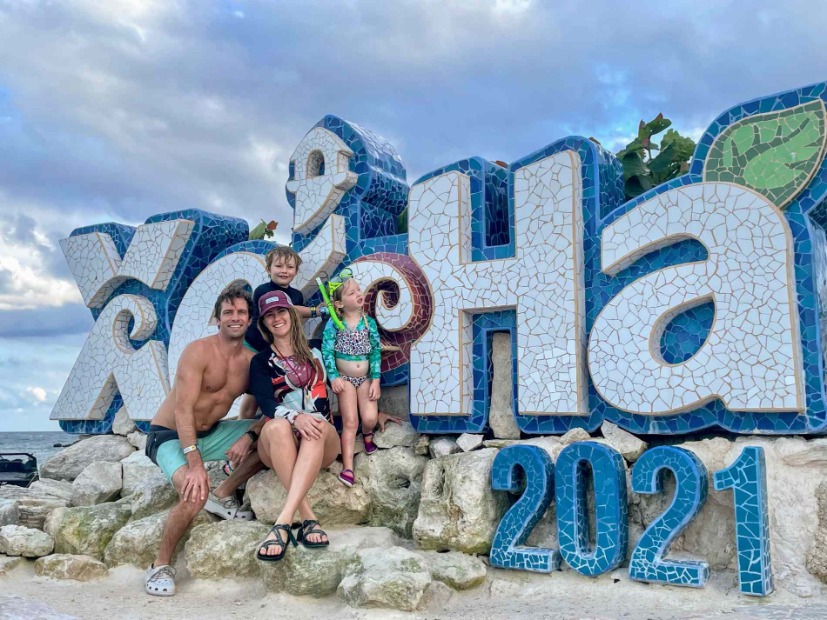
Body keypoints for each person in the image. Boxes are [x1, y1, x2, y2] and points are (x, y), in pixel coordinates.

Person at [143, 282, 268, 596]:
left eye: (241, 312)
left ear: (250, 319)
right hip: (170, 437)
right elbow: (183, 409)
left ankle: (225, 492)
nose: (234, 317)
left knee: (273, 432)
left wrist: (249, 433)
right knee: (195, 492)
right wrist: (195, 463)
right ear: (217, 318)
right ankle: (160, 565)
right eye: (228, 312)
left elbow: (274, 406)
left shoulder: (252, 361)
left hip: (212, 432)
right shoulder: (197, 352)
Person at [248, 290, 341, 561]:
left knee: (316, 425)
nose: (277, 318)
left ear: (292, 314)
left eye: (281, 311)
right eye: (270, 315)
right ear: (264, 323)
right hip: (281, 443)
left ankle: (283, 523)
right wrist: (294, 417)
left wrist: (375, 413)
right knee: (277, 426)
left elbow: (350, 375)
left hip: (320, 441)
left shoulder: (317, 349)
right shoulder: (261, 361)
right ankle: (307, 517)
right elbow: (266, 403)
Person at [321, 277, 381, 487]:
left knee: (370, 418)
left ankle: (367, 434)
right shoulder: (334, 324)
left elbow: (375, 352)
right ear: (338, 303)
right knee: (350, 422)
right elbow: (327, 351)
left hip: (364, 379)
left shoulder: (368, 323)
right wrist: (334, 376)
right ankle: (348, 468)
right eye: (351, 293)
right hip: (344, 380)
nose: (358, 294)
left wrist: (375, 380)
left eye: (358, 290)